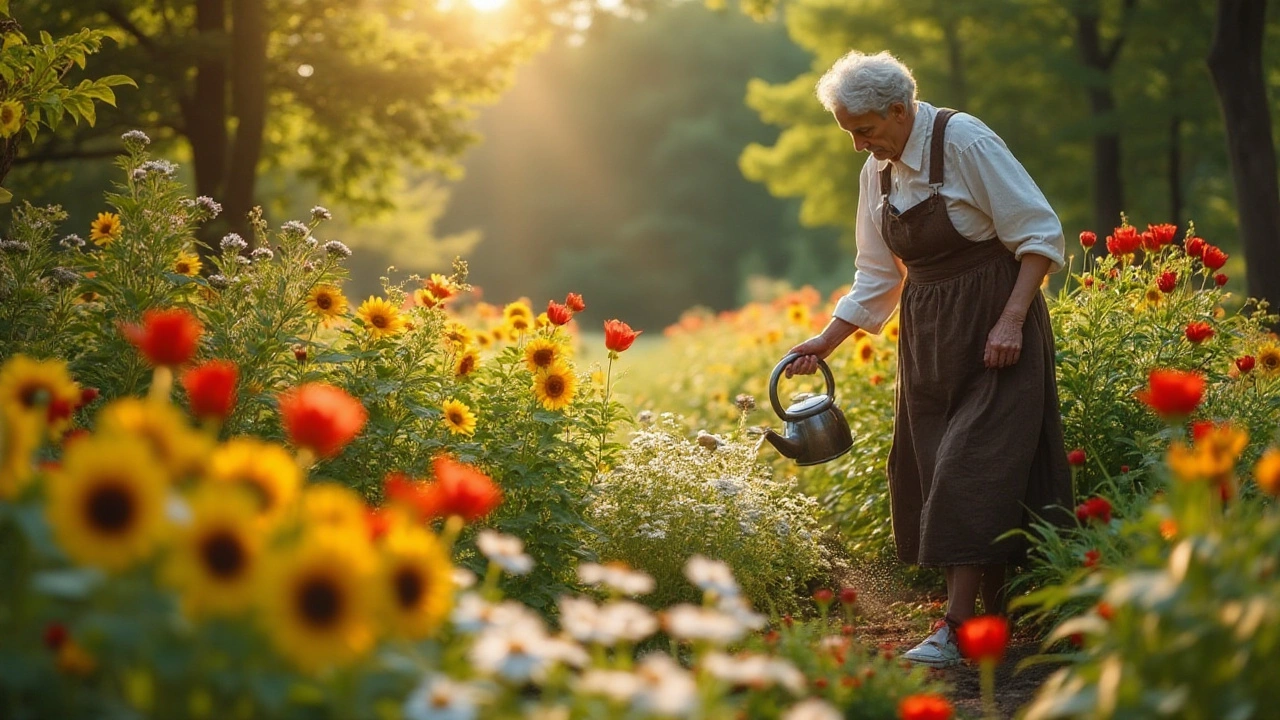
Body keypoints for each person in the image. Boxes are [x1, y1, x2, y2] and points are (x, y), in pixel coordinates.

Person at [784, 50, 1073, 668]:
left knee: (970, 468)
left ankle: (954, 626)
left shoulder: (964, 141)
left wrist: (1013, 320)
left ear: (899, 108)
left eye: (863, 130)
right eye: (848, 133)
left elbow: (1040, 235)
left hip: (997, 328)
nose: (858, 145)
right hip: (930, 336)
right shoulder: (879, 172)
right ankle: (984, 626)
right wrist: (823, 342)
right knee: (935, 466)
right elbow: (875, 276)